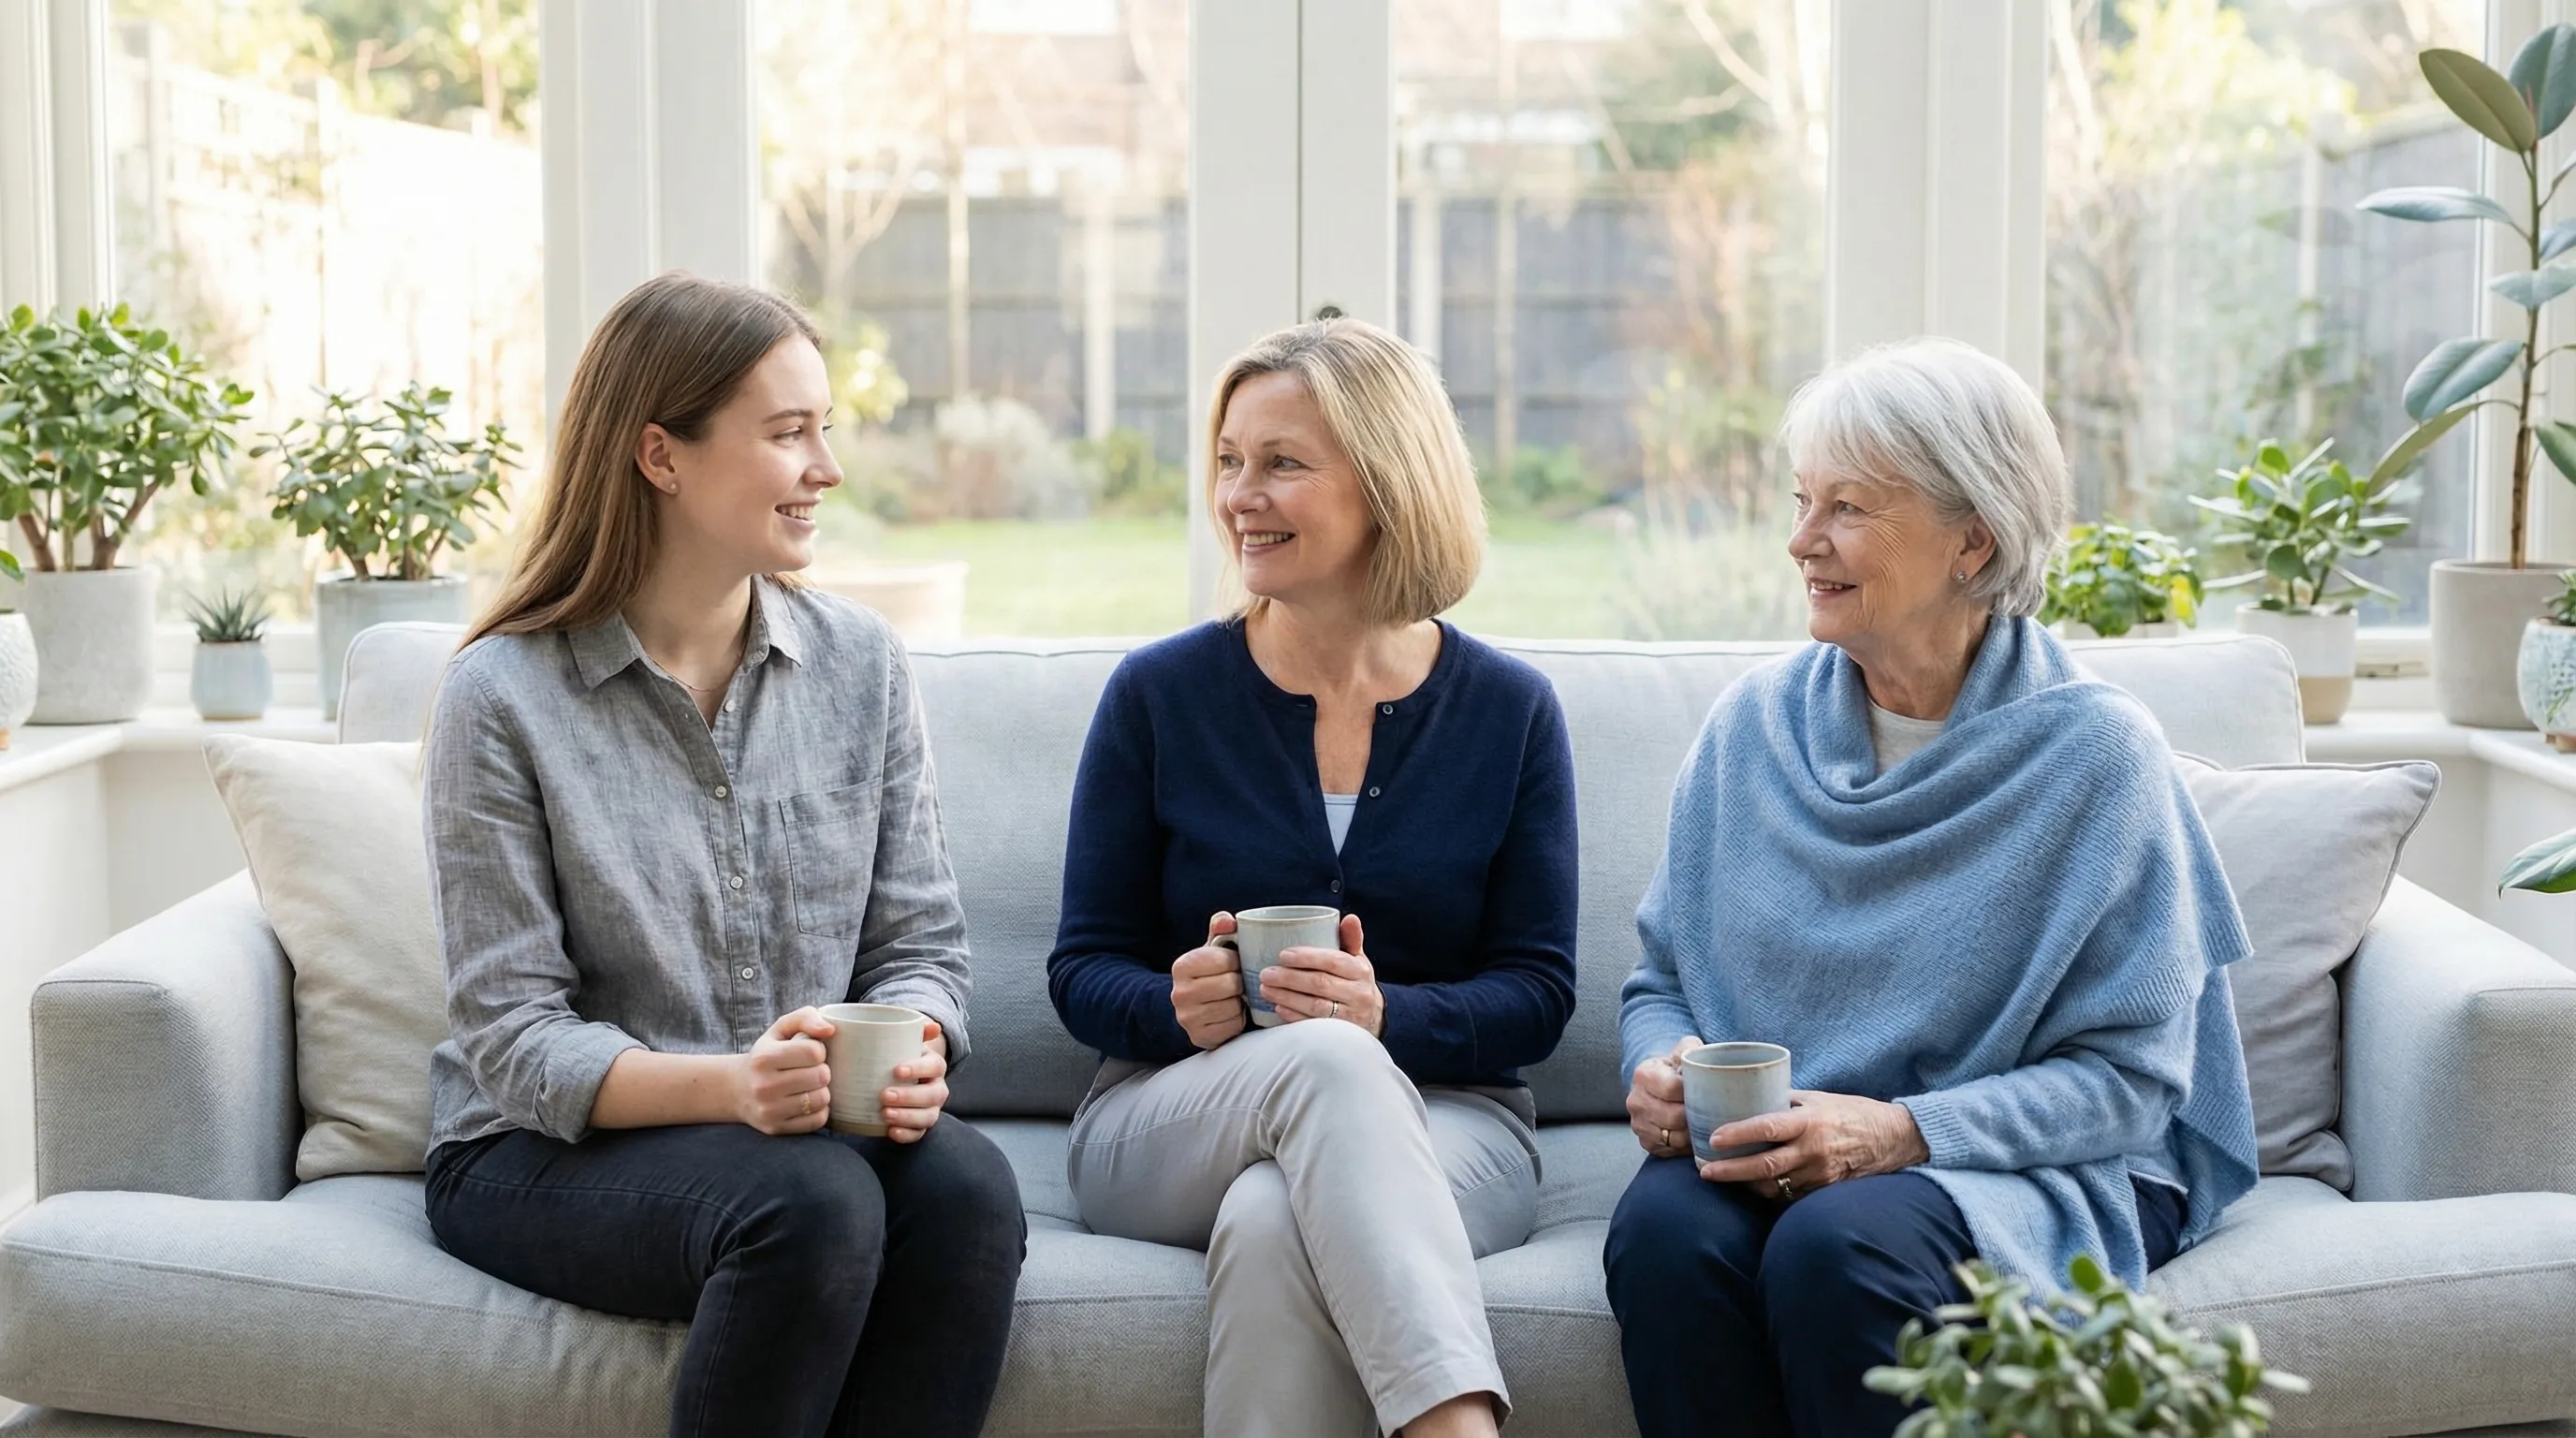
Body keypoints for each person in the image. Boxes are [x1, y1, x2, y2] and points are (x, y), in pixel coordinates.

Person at [1604, 337, 2260, 1438]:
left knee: (1834, 1247)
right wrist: (1660, 1067)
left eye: (1847, 508)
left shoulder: (2096, 757)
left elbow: (2133, 1085)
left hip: (2020, 1162)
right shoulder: (1749, 730)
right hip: (1782, 1138)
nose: (1801, 540)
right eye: (1803, 501)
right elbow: (1660, 981)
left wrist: (1901, 1132)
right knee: (1667, 1238)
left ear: (1974, 540)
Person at [419, 271, 1026, 1438]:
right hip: (539, 1149)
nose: (826, 468)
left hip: (799, 1132)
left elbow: (919, 945)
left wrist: (914, 1045)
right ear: (662, 455)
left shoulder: (861, 664)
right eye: (788, 433)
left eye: (824, 430)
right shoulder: (501, 697)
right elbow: (512, 1034)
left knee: (968, 1192)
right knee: (814, 1204)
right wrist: (736, 1087)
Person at [1046, 317, 1579, 1438]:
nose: (1240, 496)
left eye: (1282, 463)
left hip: (1455, 1124)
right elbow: (1082, 968)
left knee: (1273, 1216)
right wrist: (1173, 1006)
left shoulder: (1509, 712)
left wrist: (1389, 1017)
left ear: (1388, 484)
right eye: (1229, 461)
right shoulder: (1158, 696)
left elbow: (1536, 993)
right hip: (1166, 1116)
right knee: (1328, 1064)